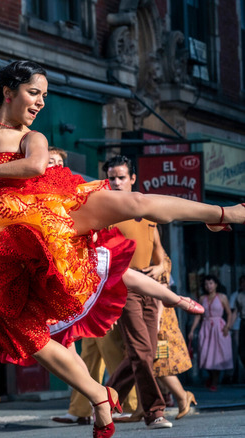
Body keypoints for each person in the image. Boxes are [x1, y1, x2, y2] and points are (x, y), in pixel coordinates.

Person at [0, 2, 244, 437]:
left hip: (47, 216)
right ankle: (99, 397)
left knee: (133, 203)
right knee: (30, 338)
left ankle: (225, 213)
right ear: (10, 89)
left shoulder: (34, 137)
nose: (41, 103)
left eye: (46, 96)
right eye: (35, 93)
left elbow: (33, 169)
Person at [101, 155, 172, 429]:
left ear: (132, 179)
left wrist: (160, 268)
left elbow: (161, 254)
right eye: (112, 178)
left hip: (151, 288)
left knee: (146, 354)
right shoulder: (105, 213)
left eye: (121, 177)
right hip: (124, 287)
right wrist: (108, 300)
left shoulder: (148, 212)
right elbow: (101, 259)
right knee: (141, 352)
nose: (116, 182)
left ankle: (103, 398)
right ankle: (155, 411)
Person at [150, 255, 197, 420]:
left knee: (159, 363)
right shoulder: (156, 259)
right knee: (151, 363)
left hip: (159, 319)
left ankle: (182, 396)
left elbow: (161, 292)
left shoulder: (159, 260)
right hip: (155, 316)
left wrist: (156, 322)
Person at [189, 274, 235, 392]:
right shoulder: (202, 298)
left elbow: (229, 313)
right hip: (206, 328)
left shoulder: (222, 297)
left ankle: (214, 381)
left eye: (211, 283)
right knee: (204, 354)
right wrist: (192, 330)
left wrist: (228, 326)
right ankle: (210, 376)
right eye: (206, 284)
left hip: (218, 328)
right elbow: (198, 315)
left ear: (216, 284)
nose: (208, 286)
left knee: (217, 355)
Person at [233, 275, 245, 382]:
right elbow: (236, 312)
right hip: (243, 322)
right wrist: (229, 326)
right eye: (242, 282)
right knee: (242, 352)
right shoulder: (239, 296)